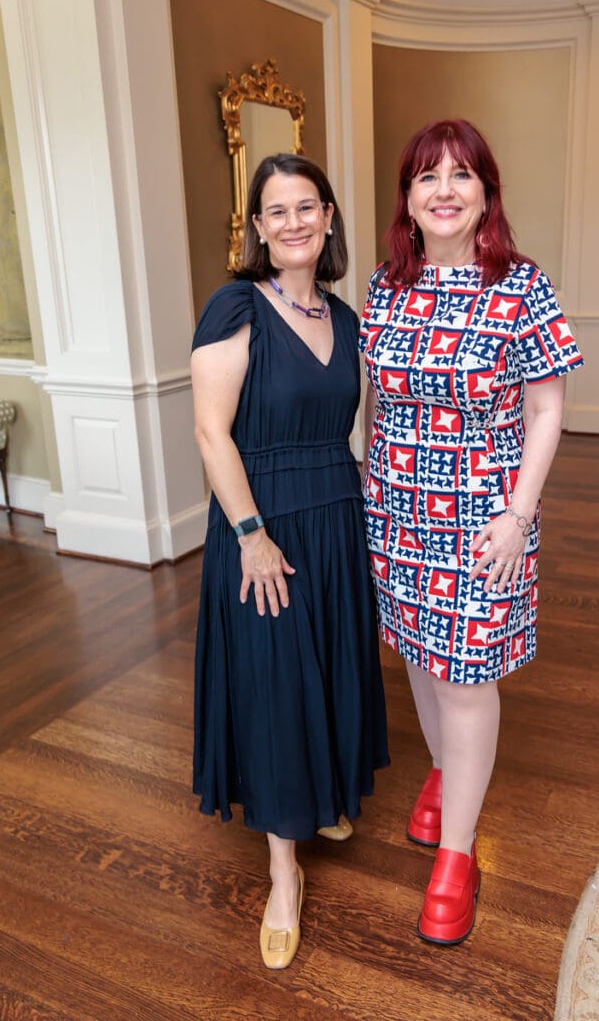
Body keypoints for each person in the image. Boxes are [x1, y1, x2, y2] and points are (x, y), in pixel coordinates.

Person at [359, 119, 583, 946]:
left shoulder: (520, 287)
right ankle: (448, 772)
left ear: (485, 194)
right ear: (407, 201)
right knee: (417, 655)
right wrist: (368, 484)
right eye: (426, 177)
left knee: (465, 676)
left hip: (482, 517)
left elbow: (547, 407)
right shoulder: (385, 286)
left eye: (461, 175)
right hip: (395, 511)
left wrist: (518, 515)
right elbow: (377, 402)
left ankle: (457, 852)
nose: (443, 189)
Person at [191, 153, 389, 970]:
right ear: (256, 229)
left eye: (307, 206)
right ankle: (283, 876)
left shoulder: (347, 321)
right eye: (275, 211)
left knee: (332, 668)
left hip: (335, 517)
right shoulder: (235, 307)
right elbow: (211, 432)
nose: (294, 222)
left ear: (330, 217)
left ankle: (328, 799)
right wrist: (250, 534)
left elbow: (362, 432)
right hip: (261, 526)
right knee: (276, 685)